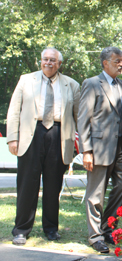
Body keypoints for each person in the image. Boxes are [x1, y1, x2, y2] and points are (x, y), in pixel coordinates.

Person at [6, 47, 80, 245]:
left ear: (59, 64)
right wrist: (12, 138)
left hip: (58, 135)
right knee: (27, 184)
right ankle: (21, 229)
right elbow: (14, 111)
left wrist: (83, 145)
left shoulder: (71, 85)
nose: (48, 62)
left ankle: (51, 229)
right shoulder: (26, 80)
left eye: (52, 60)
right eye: (45, 59)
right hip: (31, 135)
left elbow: (78, 116)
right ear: (41, 61)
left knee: (53, 185)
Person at [77, 47, 122, 253]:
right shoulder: (92, 84)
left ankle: (108, 228)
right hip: (99, 148)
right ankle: (95, 237)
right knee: (95, 194)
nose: (121, 64)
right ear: (105, 63)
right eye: (117, 61)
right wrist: (86, 150)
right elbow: (83, 119)